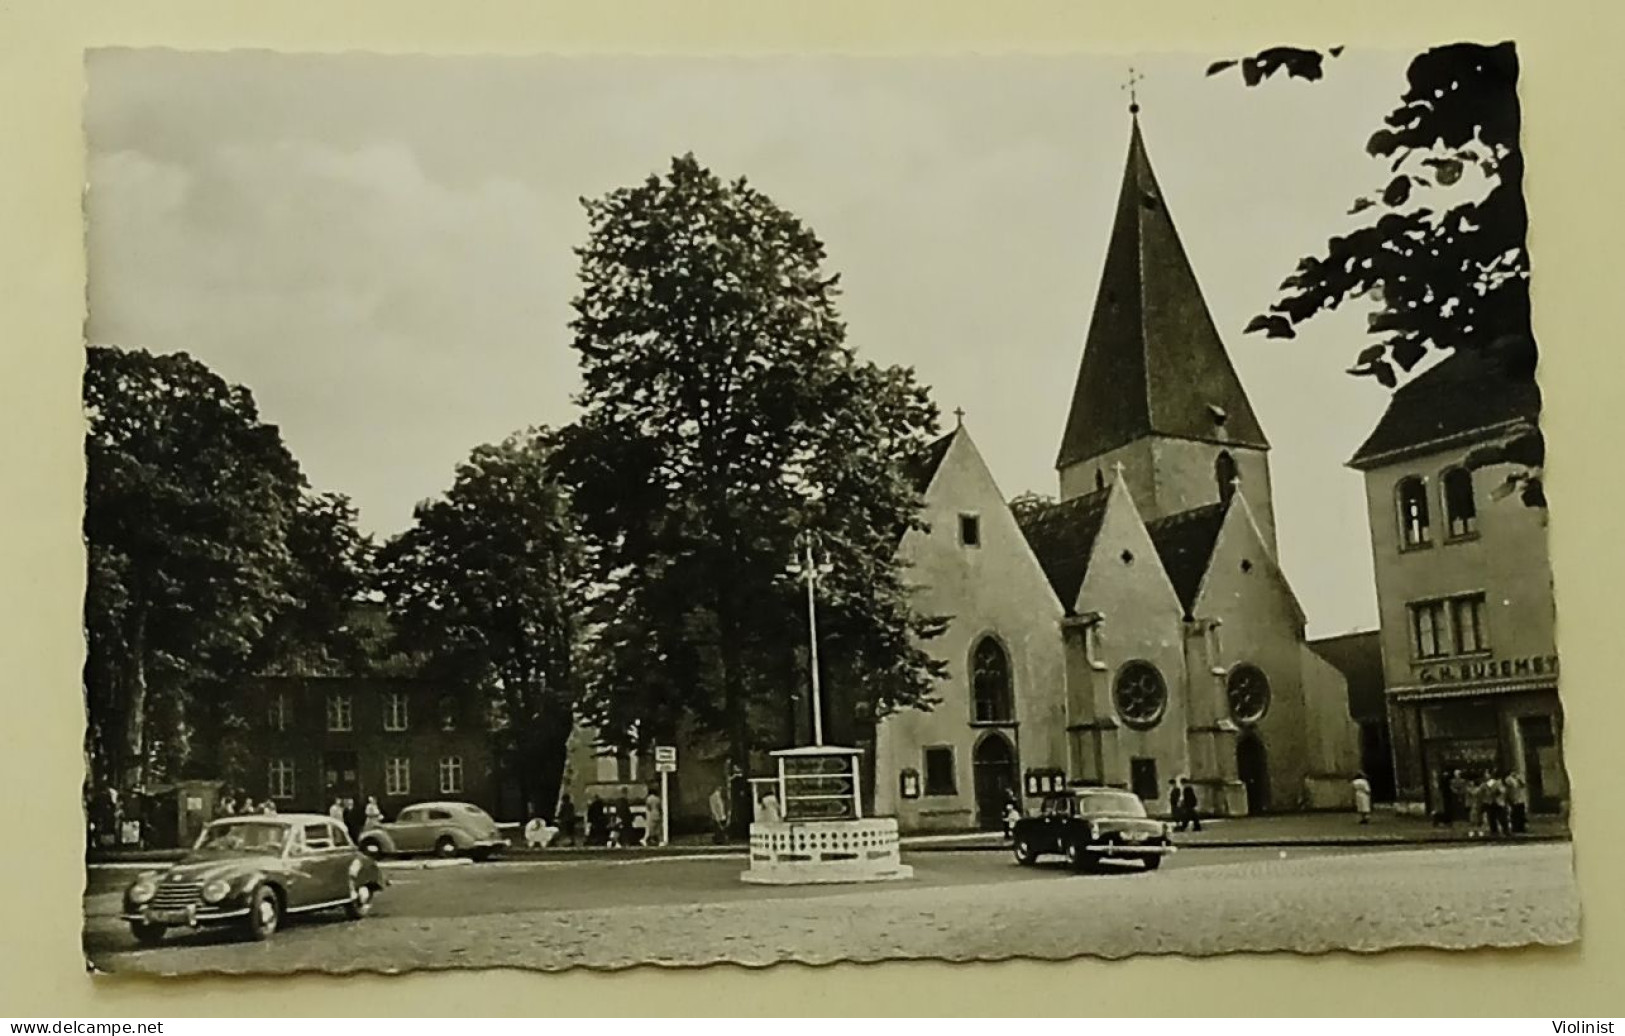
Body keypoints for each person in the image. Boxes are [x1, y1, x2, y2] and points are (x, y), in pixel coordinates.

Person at [1482, 773, 1507, 839]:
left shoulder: (1497, 783)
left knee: (1501, 817)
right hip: (1491, 802)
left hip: (1497, 802)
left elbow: (1502, 791)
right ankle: (1495, 831)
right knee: (1492, 818)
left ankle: (1504, 831)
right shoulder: (1485, 784)